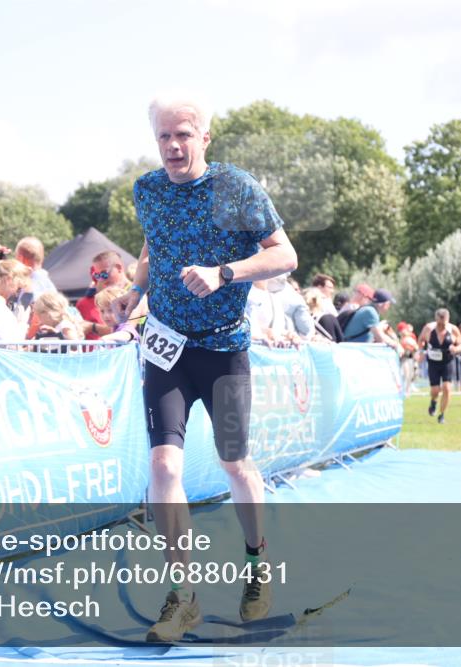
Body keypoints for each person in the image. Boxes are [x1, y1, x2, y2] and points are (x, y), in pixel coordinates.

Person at [109, 95, 297, 642]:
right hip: (166, 347)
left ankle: (257, 565)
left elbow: (284, 255)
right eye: (164, 136)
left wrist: (226, 272)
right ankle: (183, 594)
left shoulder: (235, 188)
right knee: (164, 467)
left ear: (205, 138)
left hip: (224, 350)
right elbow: (153, 249)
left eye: (184, 134)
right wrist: (134, 291)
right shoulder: (147, 190)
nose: (173, 145)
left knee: (235, 465)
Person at [418, 308, 461, 424]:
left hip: (447, 362)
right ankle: (433, 401)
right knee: (435, 390)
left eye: (444, 324)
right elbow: (421, 340)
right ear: (436, 320)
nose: (442, 326)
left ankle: (442, 415)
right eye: (439, 324)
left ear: (448, 320)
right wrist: (421, 352)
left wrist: (456, 348)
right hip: (433, 363)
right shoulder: (429, 328)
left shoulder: (453, 329)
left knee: (447, 388)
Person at [77, 250, 132, 340]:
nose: (101, 279)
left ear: (119, 268)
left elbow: (130, 328)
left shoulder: (134, 294)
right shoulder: (105, 294)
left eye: (104, 274)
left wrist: (92, 327)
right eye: (97, 275)